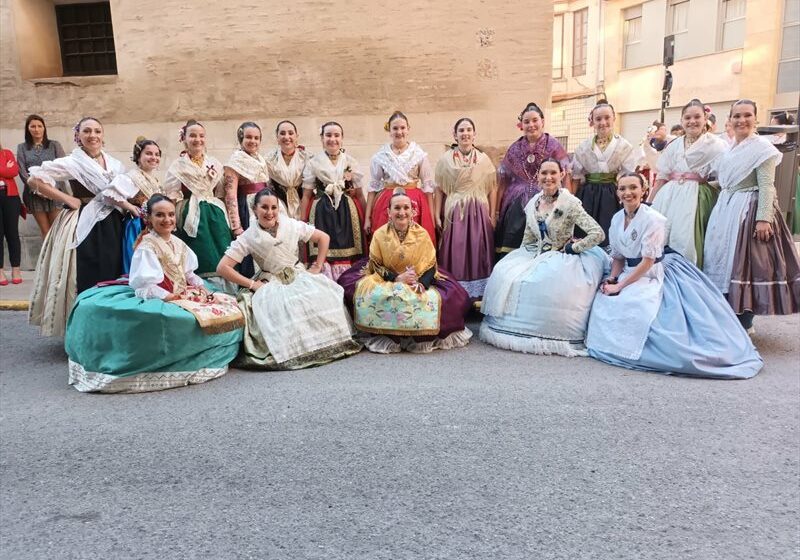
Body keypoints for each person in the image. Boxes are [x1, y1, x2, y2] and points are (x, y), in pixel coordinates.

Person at [586, 173, 763, 379]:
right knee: (603, 298)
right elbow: (618, 256)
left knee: (638, 303)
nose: (628, 193)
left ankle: (649, 351)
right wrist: (613, 279)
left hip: (650, 273)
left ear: (644, 190)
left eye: (633, 187)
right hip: (628, 271)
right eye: (623, 188)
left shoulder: (654, 219)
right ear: (617, 192)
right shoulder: (617, 218)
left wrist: (621, 286)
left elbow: (647, 261)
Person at [65, 195, 244, 393]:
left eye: (170, 215)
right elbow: (144, 286)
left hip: (180, 291)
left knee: (225, 305)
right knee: (176, 319)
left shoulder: (178, 242)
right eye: (160, 215)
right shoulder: (147, 246)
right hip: (159, 294)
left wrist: (198, 286)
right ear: (149, 219)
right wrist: (168, 297)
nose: (167, 219)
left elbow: (187, 273)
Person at [216, 188, 361, 369]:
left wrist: (317, 266)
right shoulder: (249, 237)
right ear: (255, 209)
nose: (270, 213)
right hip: (272, 280)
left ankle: (320, 343)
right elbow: (222, 267)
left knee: (325, 296)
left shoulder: (290, 225)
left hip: (298, 273)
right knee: (277, 309)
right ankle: (291, 350)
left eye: (274, 208)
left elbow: (324, 237)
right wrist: (252, 284)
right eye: (264, 208)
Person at [480, 159, 606, 356]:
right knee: (505, 272)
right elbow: (528, 239)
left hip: (561, 255)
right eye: (544, 173)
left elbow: (597, 233)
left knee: (545, 281)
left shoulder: (570, 203)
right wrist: (520, 259)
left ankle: (551, 334)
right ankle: (509, 329)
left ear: (561, 175)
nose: (548, 177)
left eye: (553, 173)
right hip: (536, 253)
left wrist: (574, 247)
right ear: (538, 176)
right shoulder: (533, 203)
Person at [704, 99, 800, 331]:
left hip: (748, 210)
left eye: (747, 115)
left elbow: (767, 185)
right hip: (726, 209)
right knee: (722, 261)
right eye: (737, 116)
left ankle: (744, 321)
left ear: (756, 119)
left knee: (744, 265)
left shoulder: (762, 149)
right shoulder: (730, 148)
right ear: (730, 120)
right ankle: (729, 316)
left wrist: (763, 218)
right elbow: (729, 181)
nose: (742, 120)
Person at [338, 188, 472, 353]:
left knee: (447, 296)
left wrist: (422, 283)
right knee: (364, 292)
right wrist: (397, 278)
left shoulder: (422, 234)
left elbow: (430, 264)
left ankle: (417, 335)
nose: (402, 212)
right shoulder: (380, 234)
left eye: (406, 208)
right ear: (389, 212)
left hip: (418, 276)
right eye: (397, 208)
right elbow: (376, 264)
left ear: (413, 211)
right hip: (386, 277)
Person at [26, 117, 126, 337]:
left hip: (113, 222)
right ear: (78, 136)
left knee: (114, 273)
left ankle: (110, 330)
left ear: (103, 135)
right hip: (85, 223)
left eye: (97, 131)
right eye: (87, 131)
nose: (93, 135)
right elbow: (34, 179)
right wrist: (66, 198)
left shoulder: (115, 164)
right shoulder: (72, 162)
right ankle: (86, 332)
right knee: (87, 274)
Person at [647, 99, 727, 268]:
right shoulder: (674, 145)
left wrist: (712, 189)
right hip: (669, 197)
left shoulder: (716, 144)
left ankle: (690, 274)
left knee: (687, 238)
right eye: (687, 118)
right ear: (682, 120)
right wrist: (650, 203)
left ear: (705, 118)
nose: (692, 121)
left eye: (697, 117)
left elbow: (725, 174)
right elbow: (663, 175)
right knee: (661, 235)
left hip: (697, 197)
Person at [495, 102, 569, 259]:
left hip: (547, 200)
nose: (531, 125)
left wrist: (566, 202)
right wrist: (497, 210)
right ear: (521, 125)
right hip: (515, 204)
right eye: (527, 121)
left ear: (542, 121)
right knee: (514, 245)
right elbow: (503, 180)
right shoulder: (515, 148)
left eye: (535, 120)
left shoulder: (554, 146)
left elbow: (566, 175)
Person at [435, 117, 497, 299]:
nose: (465, 134)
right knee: (456, 251)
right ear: (455, 135)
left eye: (469, 130)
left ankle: (479, 297)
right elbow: (439, 189)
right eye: (461, 130)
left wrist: (492, 214)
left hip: (478, 210)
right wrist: (436, 215)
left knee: (479, 250)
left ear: (474, 134)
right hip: (455, 211)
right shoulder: (445, 160)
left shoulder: (484, 160)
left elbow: (492, 187)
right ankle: (455, 295)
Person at [165, 119, 232, 285]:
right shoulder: (178, 165)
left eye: (201, 136)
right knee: (199, 250)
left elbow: (221, 192)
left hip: (215, 212)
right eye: (192, 135)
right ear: (185, 139)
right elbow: (172, 195)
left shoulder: (214, 163)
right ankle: (202, 286)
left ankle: (227, 286)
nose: (197, 139)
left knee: (222, 247)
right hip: (191, 212)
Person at [300, 121, 367, 280]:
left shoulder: (350, 161)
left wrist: (367, 218)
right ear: (322, 138)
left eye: (336, 135)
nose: (332, 139)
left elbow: (358, 193)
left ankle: (349, 282)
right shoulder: (313, 163)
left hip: (347, 213)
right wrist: (302, 221)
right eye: (328, 135)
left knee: (351, 250)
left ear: (342, 138)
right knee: (324, 249)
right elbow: (307, 194)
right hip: (322, 212)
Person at [572, 101, 639, 245]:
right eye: (598, 119)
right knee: (584, 232)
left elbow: (628, 173)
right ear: (592, 122)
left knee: (610, 231)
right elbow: (576, 175)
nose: (603, 122)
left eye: (607, 118)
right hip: (588, 194)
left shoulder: (624, 146)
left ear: (614, 118)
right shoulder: (583, 147)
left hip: (612, 194)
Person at [365, 111, 436, 243]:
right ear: (390, 131)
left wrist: (431, 219)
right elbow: (373, 187)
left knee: (415, 241)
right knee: (387, 241)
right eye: (395, 128)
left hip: (415, 202)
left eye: (402, 128)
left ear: (408, 129)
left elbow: (428, 188)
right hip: (387, 202)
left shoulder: (419, 154)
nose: (399, 132)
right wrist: (367, 218)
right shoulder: (381, 156)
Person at [103, 137, 164, 274]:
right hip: (138, 228)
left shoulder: (155, 180)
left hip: (155, 227)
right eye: (148, 153)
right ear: (138, 156)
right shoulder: (131, 177)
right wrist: (130, 207)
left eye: (157, 154)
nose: (153, 157)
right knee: (139, 264)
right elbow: (109, 193)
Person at [223, 121, 270, 278]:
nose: (253, 141)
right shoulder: (235, 161)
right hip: (248, 209)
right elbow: (230, 195)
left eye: (257, 138)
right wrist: (236, 227)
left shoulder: (260, 159)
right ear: (241, 139)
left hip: (265, 206)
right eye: (249, 137)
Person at [16, 114, 67, 237]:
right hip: (34, 195)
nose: (36, 129)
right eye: (33, 126)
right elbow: (22, 171)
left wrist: (52, 190)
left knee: (57, 231)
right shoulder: (22, 148)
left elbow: (63, 168)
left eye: (39, 126)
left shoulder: (54, 145)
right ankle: (47, 256)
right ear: (28, 129)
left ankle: (58, 257)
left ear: (44, 128)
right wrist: (37, 189)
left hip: (56, 193)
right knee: (46, 231)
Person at [265, 120, 307, 219]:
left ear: (297, 136)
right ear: (277, 137)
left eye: (291, 133)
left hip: (304, 206)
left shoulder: (307, 158)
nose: (287, 137)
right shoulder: (269, 160)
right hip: (278, 207)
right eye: (282, 133)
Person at [0, 144, 22, 285]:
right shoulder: (5, 159)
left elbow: (14, 171)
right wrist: (4, 169)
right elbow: (7, 171)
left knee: (12, 233)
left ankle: (16, 269)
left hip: (10, 196)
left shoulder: (6, 153)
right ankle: (0, 271)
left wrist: (8, 169)